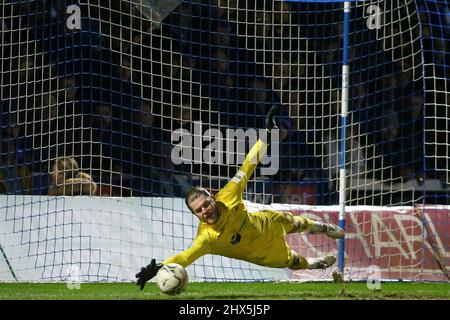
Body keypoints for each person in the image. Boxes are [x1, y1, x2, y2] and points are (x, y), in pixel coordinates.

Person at [135, 106, 345, 290]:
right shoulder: (207, 238)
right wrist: (161, 266)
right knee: (293, 261)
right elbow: (185, 257)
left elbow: (249, 163)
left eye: (206, 204)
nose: (205, 210)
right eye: (199, 210)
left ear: (213, 197)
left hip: (267, 223)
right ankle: (315, 264)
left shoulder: (229, 193)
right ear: (196, 215)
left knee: (293, 221)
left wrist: (268, 135)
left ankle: (323, 228)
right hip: (264, 253)